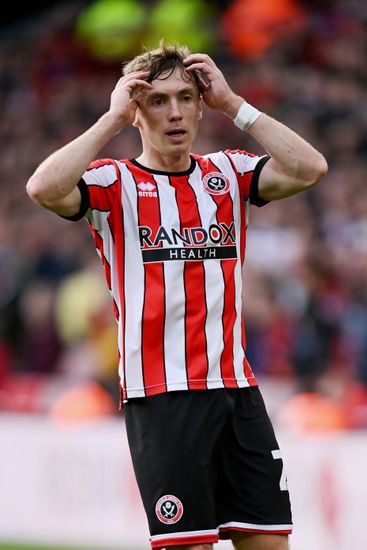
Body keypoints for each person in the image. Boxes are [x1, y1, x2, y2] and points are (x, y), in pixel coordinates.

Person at [26, 42, 328, 550]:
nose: (176, 113)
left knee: (271, 543)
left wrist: (234, 105)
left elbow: (310, 168)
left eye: (187, 98)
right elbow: (42, 187)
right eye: (159, 101)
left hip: (236, 389)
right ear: (137, 110)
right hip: (162, 398)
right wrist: (110, 120)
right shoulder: (113, 182)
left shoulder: (227, 174)